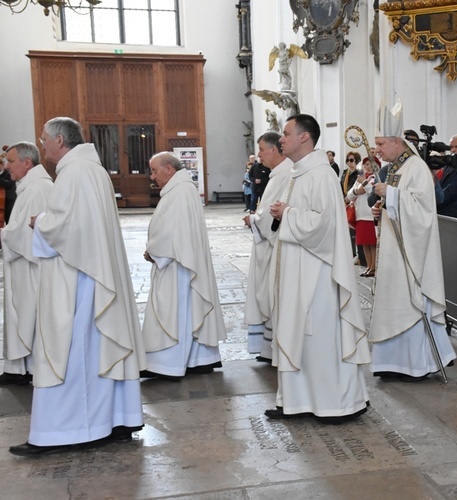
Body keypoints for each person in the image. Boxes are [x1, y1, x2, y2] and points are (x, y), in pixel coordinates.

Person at [10, 117, 145, 457]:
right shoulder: (90, 169)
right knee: (93, 351)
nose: (42, 146)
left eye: (44, 140)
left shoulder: (76, 172)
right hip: (91, 273)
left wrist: (38, 222)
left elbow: (66, 227)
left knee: (69, 350)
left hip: (79, 278)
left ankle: (61, 431)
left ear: (58, 140)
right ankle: (113, 420)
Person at [265, 113, 370, 423]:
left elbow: (323, 225)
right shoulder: (299, 172)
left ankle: (335, 404)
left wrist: (289, 213)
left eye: (285, 133)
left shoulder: (321, 174)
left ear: (304, 138)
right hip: (299, 270)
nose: (280, 139)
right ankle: (296, 402)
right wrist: (283, 213)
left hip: (318, 273)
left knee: (318, 337)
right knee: (298, 334)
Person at [369, 100, 456, 382]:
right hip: (395, 250)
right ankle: (393, 362)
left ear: (397, 142)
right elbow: (399, 208)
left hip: (412, 255)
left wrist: (391, 196)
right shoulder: (397, 167)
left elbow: (424, 211)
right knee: (395, 303)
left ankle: (415, 365)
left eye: (382, 144)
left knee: (410, 304)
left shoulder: (416, 167)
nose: (378, 150)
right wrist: (382, 207)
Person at [140, 152, 226, 381]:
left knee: (174, 311)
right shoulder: (181, 189)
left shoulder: (179, 192)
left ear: (169, 168)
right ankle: (198, 359)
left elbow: (172, 232)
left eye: (155, 170)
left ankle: (166, 363)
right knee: (187, 311)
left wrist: (154, 251)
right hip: (180, 260)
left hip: (177, 264)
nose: (152, 176)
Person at [0, 142, 53, 386]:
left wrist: (3, 235)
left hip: (32, 267)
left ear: (27, 162)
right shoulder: (30, 187)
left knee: (29, 313)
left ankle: (28, 367)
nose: (6, 166)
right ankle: (21, 366)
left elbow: (29, 234)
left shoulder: (37, 189)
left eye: (10, 161)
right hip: (24, 265)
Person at [244, 131, 293, 363]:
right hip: (267, 244)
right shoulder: (278, 173)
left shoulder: (285, 174)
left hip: (274, 246)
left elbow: (273, 213)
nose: (260, 154)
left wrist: (254, 219)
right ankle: (267, 346)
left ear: (274, 149)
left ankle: (273, 347)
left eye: (262, 149)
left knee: (272, 293)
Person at [346, 157, 377, 277]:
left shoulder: (375, 178)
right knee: (364, 243)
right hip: (360, 215)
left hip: (370, 214)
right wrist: (356, 191)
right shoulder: (360, 178)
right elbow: (350, 194)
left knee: (372, 243)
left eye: (370, 164)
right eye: (366, 164)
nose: (368, 167)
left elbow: (371, 192)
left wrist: (364, 183)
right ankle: (368, 266)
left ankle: (374, 266)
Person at [0, 159, 17, 224]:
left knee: (9, 222)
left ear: (2, 165)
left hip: (9, 202)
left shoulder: (8, 173)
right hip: (2, 204)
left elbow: (8, 184)